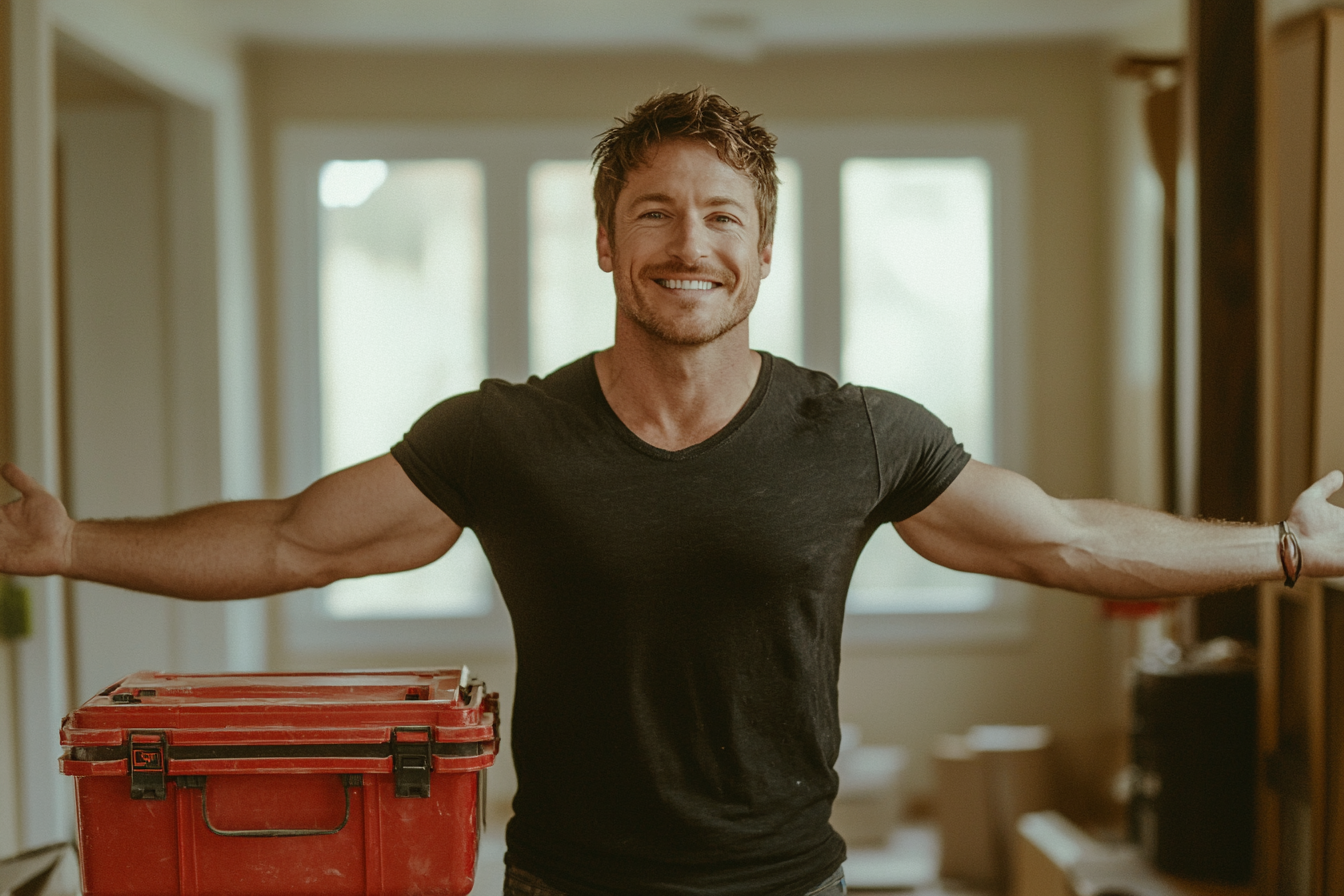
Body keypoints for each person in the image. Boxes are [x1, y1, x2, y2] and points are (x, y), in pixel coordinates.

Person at [1, 87, 1341, 896]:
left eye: (720, 218)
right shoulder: (505, 435)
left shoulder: (857, 434)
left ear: (763, 256)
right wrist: (69, 545)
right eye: (653, 213)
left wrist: (1283, 547)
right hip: (570, 881)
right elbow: (297, 539)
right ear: (605, 240)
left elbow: (1062, 540)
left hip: (788, 883)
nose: (686, 244)